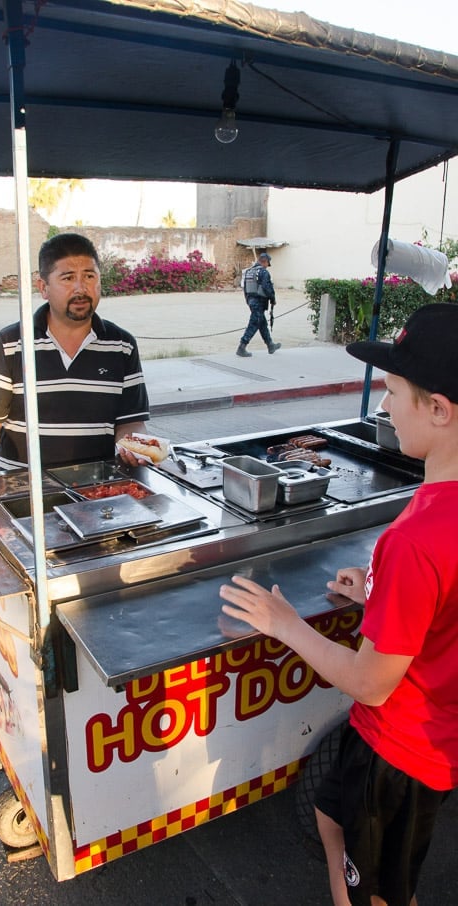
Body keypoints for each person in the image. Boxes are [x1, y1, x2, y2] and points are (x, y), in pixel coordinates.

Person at [220, 302, 458, 906]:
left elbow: (370, 682)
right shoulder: (436, 505)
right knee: (330, 817)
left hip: (399, 749)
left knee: (373, 892)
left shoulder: (416, 538)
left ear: (438, 409)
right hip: (425, 734)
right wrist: (379, 592)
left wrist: (286, 624)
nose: (382, 406)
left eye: (393, 391)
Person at [0, 232, 150, 470]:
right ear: (43, 287)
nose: (81, 288)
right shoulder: (9, 344)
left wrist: (134, 445)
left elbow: (131, 423)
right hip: (22, 492)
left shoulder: (122, 346)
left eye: (89, 276)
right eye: (68, 278)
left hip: (97, 491)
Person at [236, 252, 281, 356]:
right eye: (267, 264)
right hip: (259, 302)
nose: (267, 266)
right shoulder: (263, 272)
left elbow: (245, 289)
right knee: (254, 324)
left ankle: (270, 345)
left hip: (251, 301)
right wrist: (273, 299)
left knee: (262, 324)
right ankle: (242, 346)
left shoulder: (248, 271)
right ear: (264, 262)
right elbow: (267, 287)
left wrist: (248, 301)